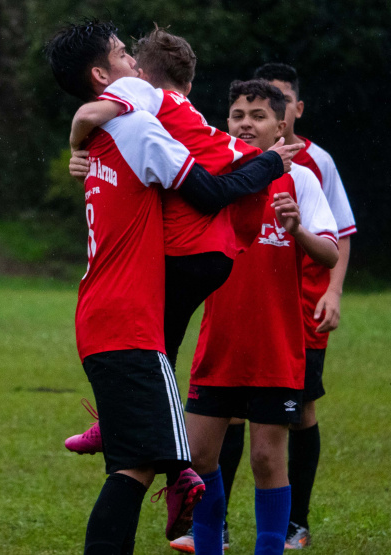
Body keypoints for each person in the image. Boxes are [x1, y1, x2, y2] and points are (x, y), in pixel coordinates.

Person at [46, 21, 294, 553]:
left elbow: (89, 117)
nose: (133, 63)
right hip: (128, 318)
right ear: (103, 75)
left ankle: (170, 470)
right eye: (120, 54)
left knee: (133, 466)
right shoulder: (136, 121)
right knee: (133, 470)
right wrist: (271, 162)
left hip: (102, 313)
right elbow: (206, 192)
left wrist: (75, 135)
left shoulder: (103, 138)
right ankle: (182, 478)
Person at [199, 63, 358, 551]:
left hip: (275, 345)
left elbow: (331, 252)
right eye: (237, 114)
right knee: (201, 458)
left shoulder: (302, 182)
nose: (246, 122)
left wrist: (297, 231)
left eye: (259, 115)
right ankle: (209, 544)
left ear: (281, 126)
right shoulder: (212, 178)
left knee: (267, 458)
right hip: (218, 345)